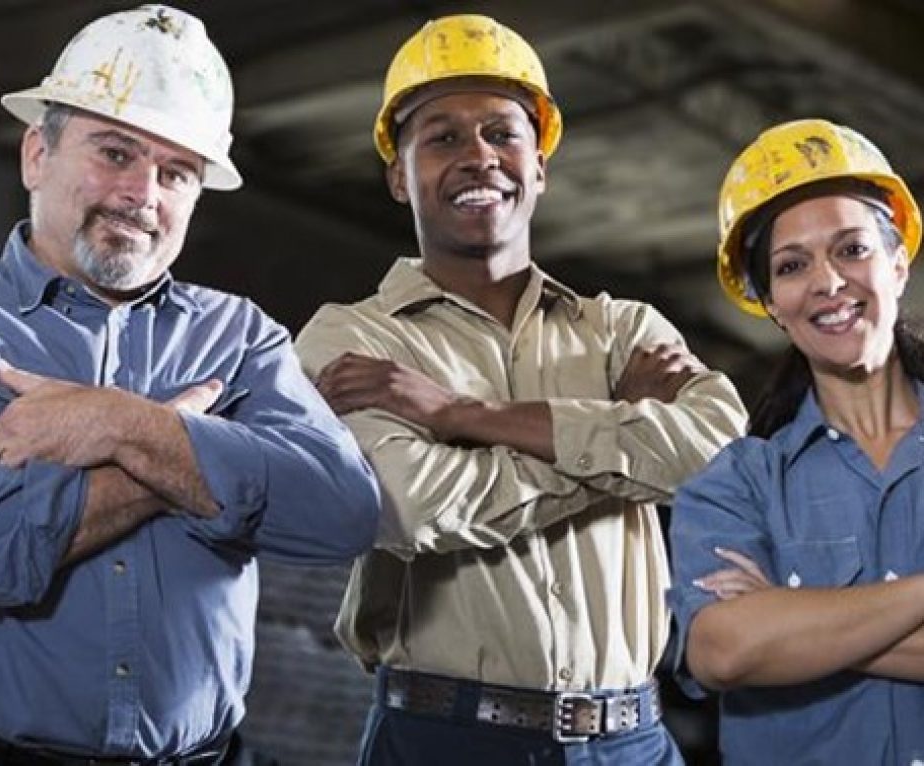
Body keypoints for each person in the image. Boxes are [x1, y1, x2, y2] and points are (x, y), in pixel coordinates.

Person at [0, 5, 380, 765]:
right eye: (115, 152)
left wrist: (118, 425)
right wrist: (186, 450)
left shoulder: (240, 337)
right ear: (38, 154)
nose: (143, 194)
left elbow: (341, 513)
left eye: (176, 173)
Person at [295, 14, 747, 766]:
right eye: (442, 137)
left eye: (503, 134)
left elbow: (721, 456)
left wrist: (463, 417)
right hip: (447, 739)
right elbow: (415, 508)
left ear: (539, 165)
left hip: (632, 742)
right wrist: (618, 444)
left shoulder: (622, 328)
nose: (479, 156)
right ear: (397, 174)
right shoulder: (350, 342)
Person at [667, 118, 924, 765]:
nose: (828, 282)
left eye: (852, 249)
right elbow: (724, 651)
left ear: (898, 264)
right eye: (792, 265)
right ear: (772, 304)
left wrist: (788, 618)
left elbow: (759, 643)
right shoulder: (736, 485)